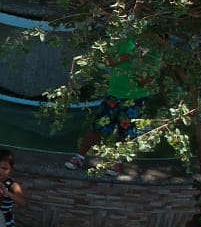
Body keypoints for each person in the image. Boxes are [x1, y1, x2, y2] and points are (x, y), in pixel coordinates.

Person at [65, 37, 154, 171]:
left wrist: (141, 61)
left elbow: (146, 79)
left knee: (125, 132)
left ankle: (115, 162)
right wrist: (128, 57)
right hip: (113, 95)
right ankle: (79, 157)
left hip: (135, 98)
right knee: (98, 127)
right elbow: (108, 61)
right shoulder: (125, 41)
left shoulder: (154, 51)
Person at [0, 147, 28, 227]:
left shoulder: (13, 185)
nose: (0, 171)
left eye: (4, 169)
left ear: (11, 169)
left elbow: (23, 202)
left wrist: (8, 193)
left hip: (4, 222)